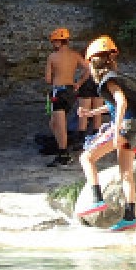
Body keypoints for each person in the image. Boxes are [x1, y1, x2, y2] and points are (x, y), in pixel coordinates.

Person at [76, 35, 136, 231]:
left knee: (86, 158)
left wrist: (116, 130)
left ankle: (97, 200)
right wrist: (91, 113)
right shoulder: (116, 79)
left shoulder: (108, 82)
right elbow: (113, 105)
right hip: (135, 128)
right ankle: (130, 217)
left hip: (125, 127)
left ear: (93, 64)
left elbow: (121, 103)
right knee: (126, 173)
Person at [44, 27, 92, 167]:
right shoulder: (75, 55)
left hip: (58, 91)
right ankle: (63, 145)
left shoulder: (52, 57)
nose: (53, 45)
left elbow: (47, 79)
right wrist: (79, 83)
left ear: (59, 42)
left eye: (54, 42)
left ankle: (63, 154)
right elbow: (88, 68)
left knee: (59, 124)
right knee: (54, 123)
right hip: (71, 91)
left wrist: (56, 79)